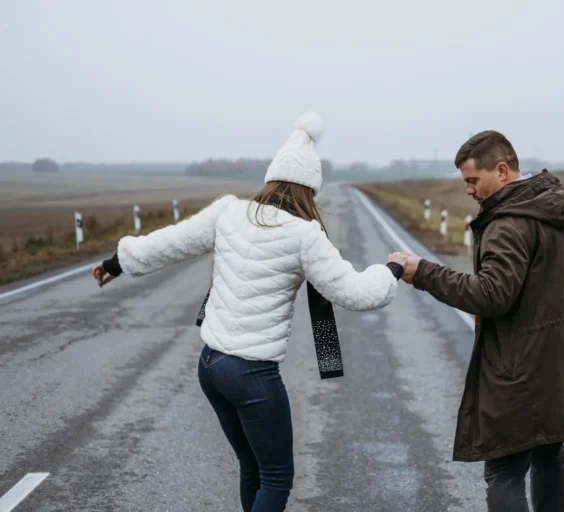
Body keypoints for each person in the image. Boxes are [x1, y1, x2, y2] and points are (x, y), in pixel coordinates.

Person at [91, 112, 409, 512]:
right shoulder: (304, 235)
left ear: (271, 178)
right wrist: (393, 270)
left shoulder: (229, 211)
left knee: (253, 467)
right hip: (252, 374)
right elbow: (357, 293)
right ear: (311, 190)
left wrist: (116, 262)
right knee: (277, 477)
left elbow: (168, 244)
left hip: (210, 366)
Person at [391, 130, 564, 512]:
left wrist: (424, 273)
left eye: (472, 180)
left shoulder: (508, 222)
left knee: (504, 470)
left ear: (501, 170)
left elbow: (491, 295)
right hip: (561, 363)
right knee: (549, 455)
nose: (468, 190)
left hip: (517, 370)